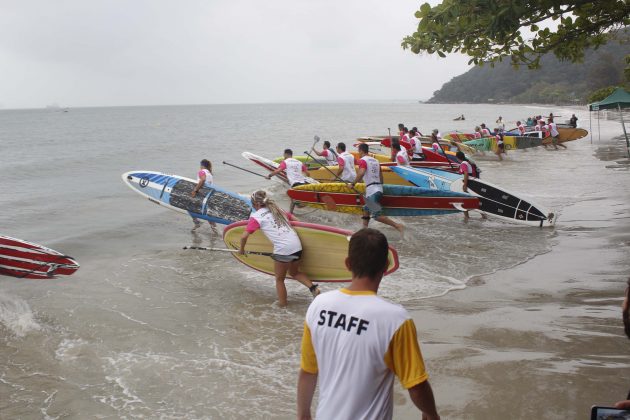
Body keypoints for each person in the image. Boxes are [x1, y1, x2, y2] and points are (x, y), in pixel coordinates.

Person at [297, 228, 440, 420]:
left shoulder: (319, 306)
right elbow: (416, 386)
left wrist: (303, 415)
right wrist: (430, 414)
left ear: (348, 264)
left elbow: (308, 371)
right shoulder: (395, 319)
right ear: (386, 266)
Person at [239, 190, 320, 307]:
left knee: (279, 279)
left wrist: (241, 249)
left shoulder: (256, 217)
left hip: (283, 250)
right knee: (294, 272)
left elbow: (244, 236)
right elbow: (298, 222)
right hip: (297, 245)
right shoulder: (277, 210)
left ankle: (283, 306)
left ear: (255, 204)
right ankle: (313, 288)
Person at [353, 143, 404, 235]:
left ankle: (397, 225)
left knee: (376, 216)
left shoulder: (363, 160)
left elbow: (361, 173)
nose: (358, 153)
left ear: (361, 151)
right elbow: (381, 177)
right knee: (366, 209)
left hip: (372, 190)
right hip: (378, 189)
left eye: (358, 151)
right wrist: (380, 189)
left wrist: (353, 183)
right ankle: (364, 230)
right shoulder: (376, 161)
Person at [191, 159, 218, 234]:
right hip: (209, 195)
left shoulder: (202, 171)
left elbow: (203, 180)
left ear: (202, 165)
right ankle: (215, 231)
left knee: (190, 207)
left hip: (202, 195)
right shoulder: (209, 173)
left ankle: (197, 223)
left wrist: (195, 190)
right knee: (208, 214)